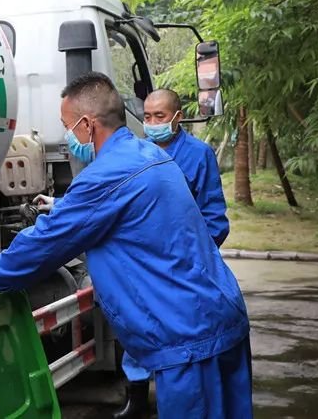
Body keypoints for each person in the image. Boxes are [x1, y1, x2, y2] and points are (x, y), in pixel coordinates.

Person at [0, 73, 252, 419]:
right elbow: (124, 209)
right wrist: (63, 206)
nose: (68, 137)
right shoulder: (149, 154)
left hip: (189, 335)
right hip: (220, 315)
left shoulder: (106, 175)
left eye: (67, 127)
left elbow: (46, 242)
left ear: (87, 125)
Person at [114, 88, 232, 417]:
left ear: (177, 117)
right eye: (147, 117)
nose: (152, 123)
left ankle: (187, 399)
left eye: (160, 116)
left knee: (184, 333)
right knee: (139, 325)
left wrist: (194, 259)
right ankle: (136, 398)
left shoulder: (199, 155)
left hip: (185, 266)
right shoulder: (137, 153)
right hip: (145, 263)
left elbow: (214, 217)